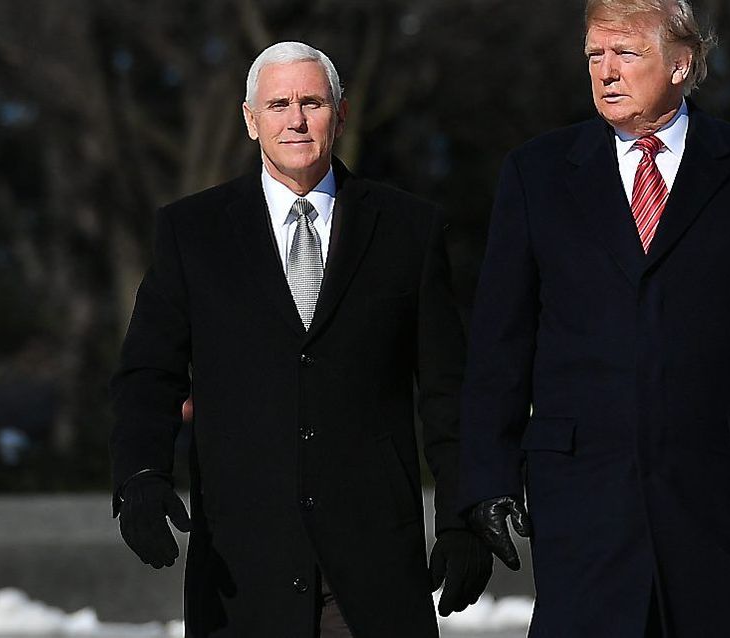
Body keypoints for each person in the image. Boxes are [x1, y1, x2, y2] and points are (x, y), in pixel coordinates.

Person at [457, 1, 730, 636]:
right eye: (594, 55)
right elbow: (501, 337)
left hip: (720, 500)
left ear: (680, 63)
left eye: (625, 54)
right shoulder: (537, 173)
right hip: (583, 503)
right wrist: (486, 476)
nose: (605, 71)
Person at [109, 41, 491, 638]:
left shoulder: (407, 229)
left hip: (372, 565)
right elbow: (148, 376)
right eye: (279, 103)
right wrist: (139, 476)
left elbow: (447, 390)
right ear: (250, 119)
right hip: (243, 567)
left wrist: (462, 516)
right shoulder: (193, 232)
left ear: (339, 116)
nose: (295, 119)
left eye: (312, 102)